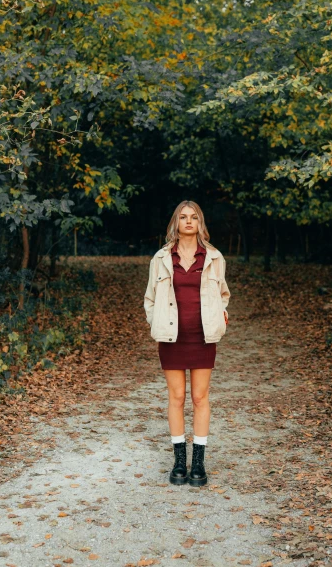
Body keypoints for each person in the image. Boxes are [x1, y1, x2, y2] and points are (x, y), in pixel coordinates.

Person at [144, 200, 230, 487]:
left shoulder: (215, 257)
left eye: (194, 217)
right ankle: (180, 462)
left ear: (200, 223)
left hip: (203, 337)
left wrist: (222, 316)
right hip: (172, 337)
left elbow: (223, 294)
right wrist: (156, 321)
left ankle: (199, 464)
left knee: (199, 398)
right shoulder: (160, 258)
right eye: (183, 217)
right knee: (177, 397)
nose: (189, 221)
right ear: (176, 223)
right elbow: (150, 299)